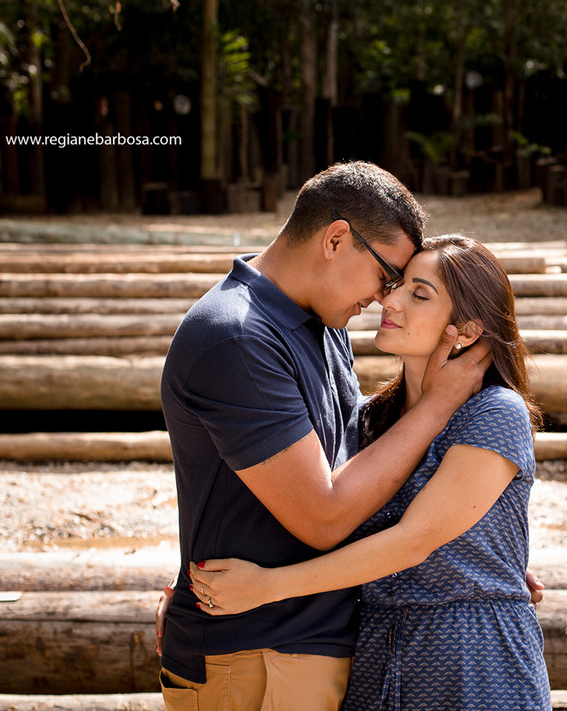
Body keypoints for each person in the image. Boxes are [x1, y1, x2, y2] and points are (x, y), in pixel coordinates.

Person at [157, 162, 494, 711]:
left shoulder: (319, 321)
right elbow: (324, 514)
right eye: (387, 276)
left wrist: (469, 545)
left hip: (307, 643)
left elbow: (355, 447)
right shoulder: (236, 338)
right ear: (337, 238)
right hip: (252, 653)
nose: (386, 298)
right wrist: (437, 405)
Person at [184, 234, 553, 711]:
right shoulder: (370, 419)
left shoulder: (495, 412)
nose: (389, 298)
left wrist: (266, 588)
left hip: (474, 659)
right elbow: (284, 486)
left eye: (419, 294)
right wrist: (188, 576)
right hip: (377, 657)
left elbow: (414, 540)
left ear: (465, 331)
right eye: (397, 284)